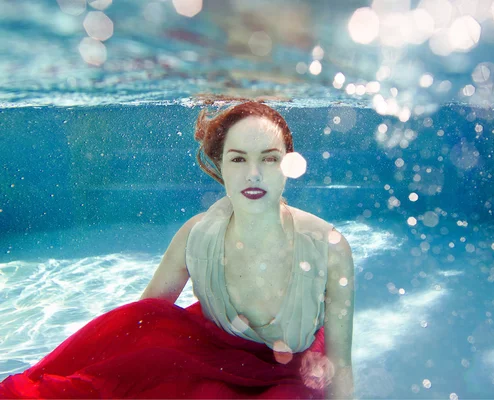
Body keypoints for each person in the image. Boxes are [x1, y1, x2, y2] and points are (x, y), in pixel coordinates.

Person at [0, 101, 355, 399]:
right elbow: (142, 320)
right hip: (212, 357)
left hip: (295, 370)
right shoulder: (197, 235)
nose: (253, 174)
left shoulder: (329, 247)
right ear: (219, 165)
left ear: (288, 165)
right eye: (237, 159)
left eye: (269, 158)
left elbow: (340, 363)